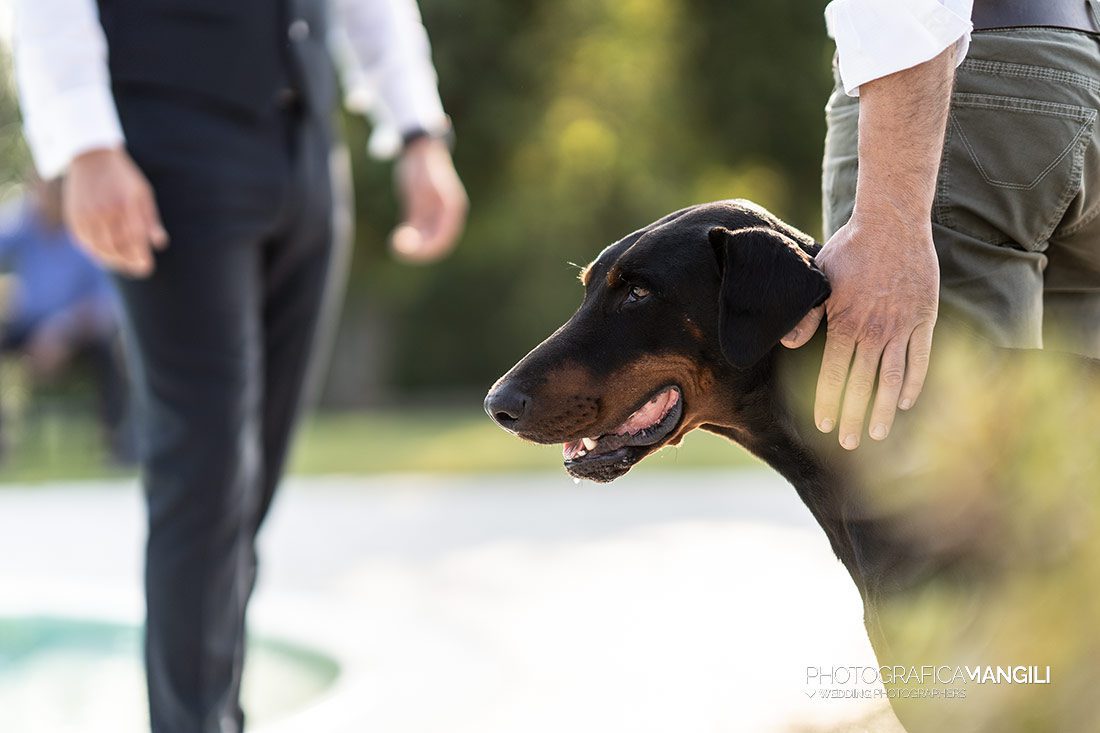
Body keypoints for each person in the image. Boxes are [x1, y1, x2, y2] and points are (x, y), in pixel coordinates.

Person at [12, 0, 467, 730]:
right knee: (207, 471)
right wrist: (87, 146)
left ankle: (217, 710)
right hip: (165, 151)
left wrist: (418, 128)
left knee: (249, 482)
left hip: (310, 150)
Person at [781, 0, 1100, 451]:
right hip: (1081, 63)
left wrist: (891, 219)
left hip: (971, 76)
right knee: (1074, 470)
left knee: (943, 473)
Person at [0, 177, 131, 462]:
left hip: (77, 328)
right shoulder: (23, 224)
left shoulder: (88, 228)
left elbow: (107, 300)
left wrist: (63, 329)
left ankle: (121, 444)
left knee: (114, 347)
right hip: (27, 324)